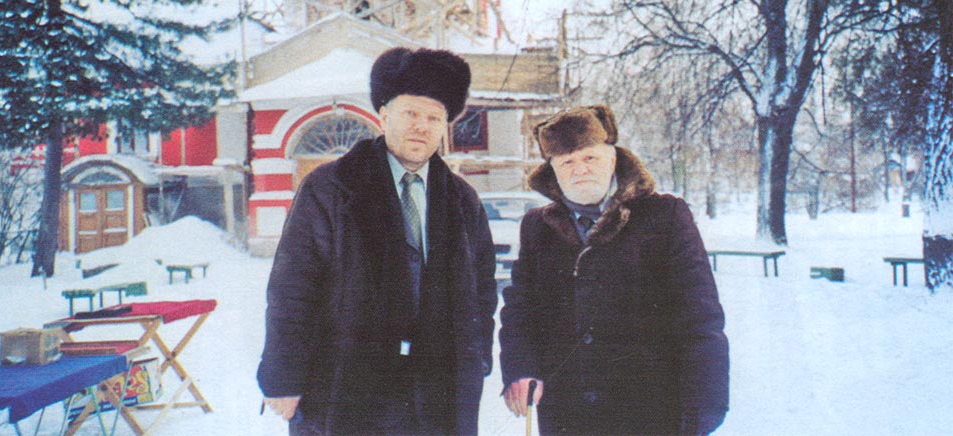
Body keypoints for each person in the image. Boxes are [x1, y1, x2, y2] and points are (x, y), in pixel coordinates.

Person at [257, 47, 498, 436]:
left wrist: (476, 357)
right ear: (384, 116)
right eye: (411, 113)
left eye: (434, 118)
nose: (421, 127)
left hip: (437, 392)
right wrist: (283, 375)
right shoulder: (332, 187)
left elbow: (482, 289)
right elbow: (293, 287)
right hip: (349, 384)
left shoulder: (462, 199)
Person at [499, 105, 729, 436]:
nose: (580, 169)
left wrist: (704, 405)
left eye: (589, 157)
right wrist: (520, 370)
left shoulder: (665, 216)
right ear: (553, 171)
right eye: (567, 162)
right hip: (567, 413)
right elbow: (520, 309)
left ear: (612, 159)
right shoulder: (538, 226)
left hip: (651, 410)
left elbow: (700, 315)